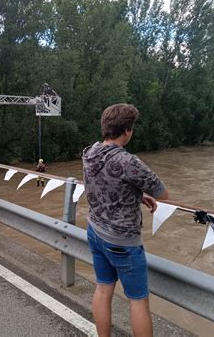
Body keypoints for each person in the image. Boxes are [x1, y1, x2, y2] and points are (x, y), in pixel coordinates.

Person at [82, 104, 169, 337]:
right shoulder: (128, 162)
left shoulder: (90, 153)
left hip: (95, 230)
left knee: (102, 290)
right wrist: (144, 192)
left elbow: (105, 185)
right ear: (127, 131)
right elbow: (162, 192)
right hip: (123, 242)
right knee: (138, 302)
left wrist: (138, 196)